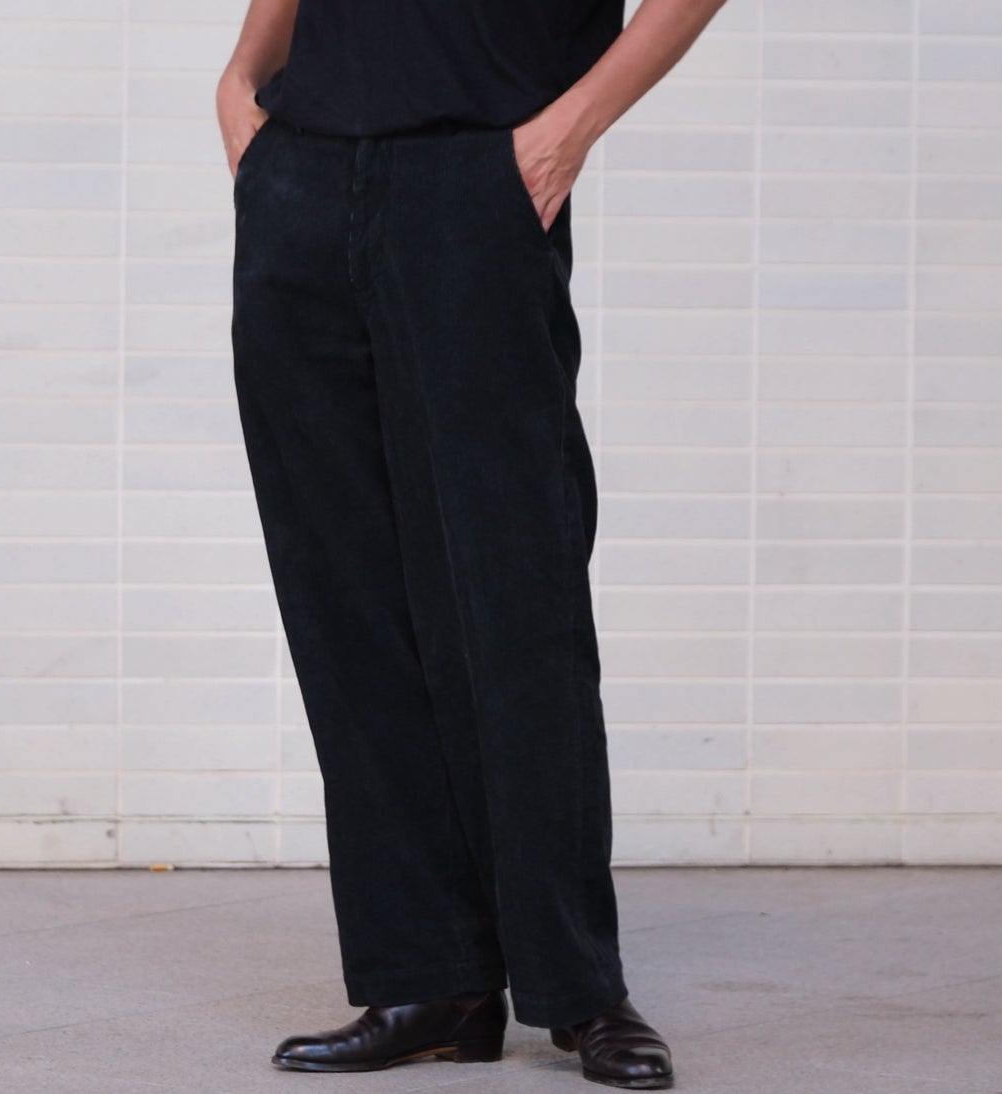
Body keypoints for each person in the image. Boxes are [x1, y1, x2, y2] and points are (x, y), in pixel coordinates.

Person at [218, 0, 729, 1088]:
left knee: (512, 596)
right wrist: (243, 78)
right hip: (301, 174)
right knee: (344, 600)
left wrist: (566, 130)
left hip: (475, 178)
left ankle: (578, 987)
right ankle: (429, 980)